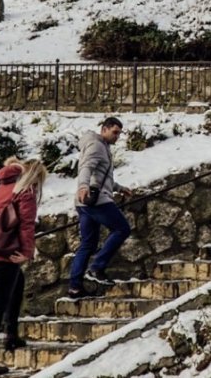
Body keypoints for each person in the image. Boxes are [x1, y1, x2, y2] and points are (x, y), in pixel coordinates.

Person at [0, 157, 47, 377]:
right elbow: (26, 225)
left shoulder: (3, 187)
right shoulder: (27, 191)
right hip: (1, 251)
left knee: (17, 281)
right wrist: (26, 253)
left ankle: (11, 334)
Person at [67, 116, 133, 297]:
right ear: (104, 129)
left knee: (87, 244)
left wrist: (119, 188)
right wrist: (83, 186)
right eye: (114, 132)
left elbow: (101, 177)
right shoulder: (97, 146)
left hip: (85, 202)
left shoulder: (100, 147)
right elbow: (86, 168)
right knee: (122, 229)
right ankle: (96, 268)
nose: (117, 137)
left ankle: (75, 287)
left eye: (119, 133)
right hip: (96, 201)